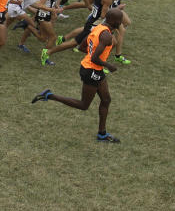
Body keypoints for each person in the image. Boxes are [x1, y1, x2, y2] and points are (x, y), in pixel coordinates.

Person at [32, 8, 123, 143]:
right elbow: (94, 58)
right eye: (120, 20)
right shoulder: (106, 36)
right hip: (91, 71)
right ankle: (49, 95)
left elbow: (81, 47)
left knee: (106, 100)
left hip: (93, 69)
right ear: (114, 21)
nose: (121, 22)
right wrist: (109, 66)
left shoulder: (98, 28)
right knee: (83, 105)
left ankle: (102, 134)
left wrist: (93, 53)